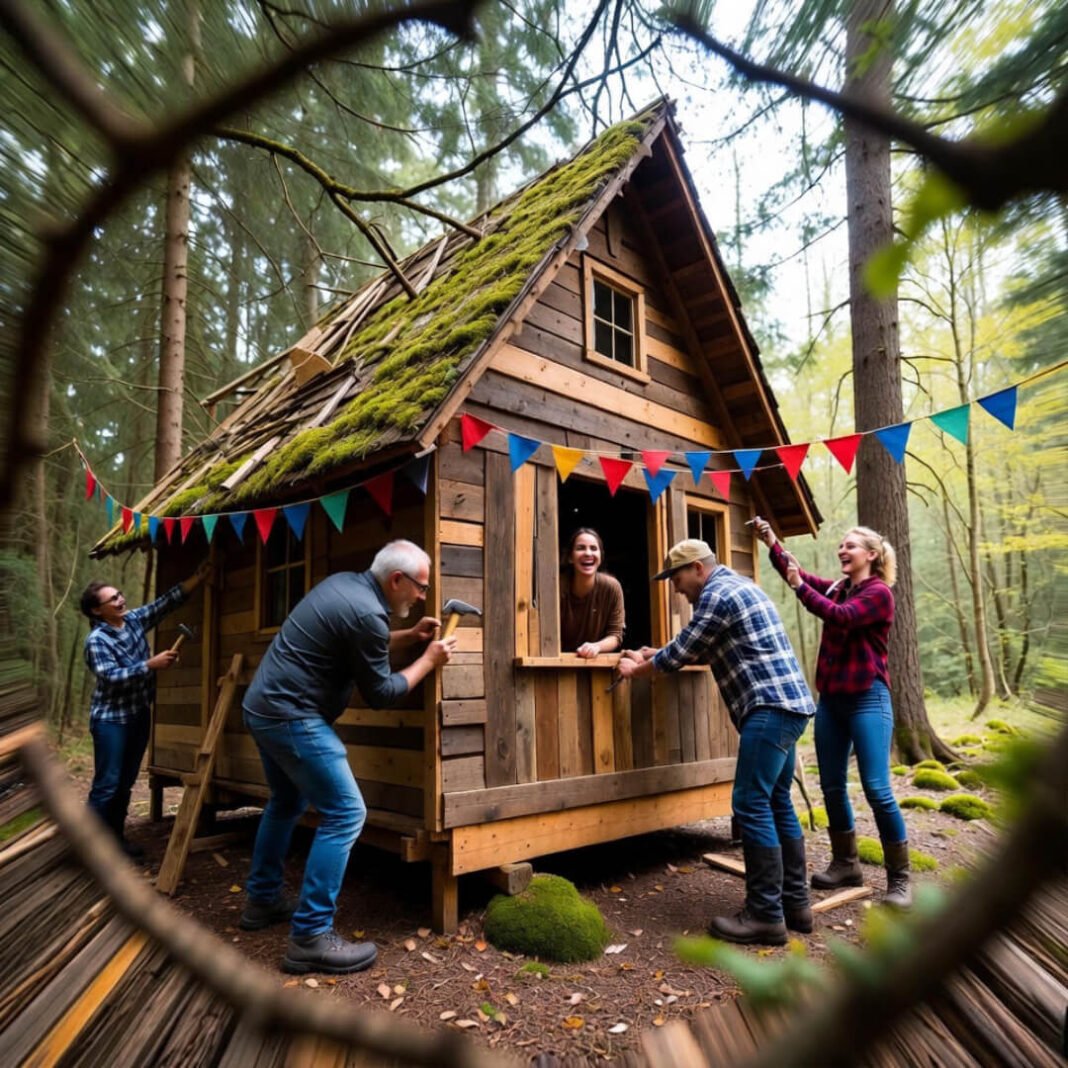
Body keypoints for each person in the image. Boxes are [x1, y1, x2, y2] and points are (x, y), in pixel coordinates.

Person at [240, 539, 455, 975]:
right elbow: (381, 694)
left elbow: (360, 641)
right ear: (396, 580)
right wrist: (429, 661)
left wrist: (409, 637)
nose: (422, 597)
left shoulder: (346, 586)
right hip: (291, 716)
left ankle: (262, 900)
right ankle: (310, 936)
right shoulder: (367, 614)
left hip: (262, 708)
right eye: (420, 587)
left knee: (286, 801)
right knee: (346, 813)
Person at [617, 539, 814, 946]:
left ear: (697, 569)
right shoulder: (738, 586)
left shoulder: (716, 594)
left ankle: (765, 916)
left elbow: (683, 652)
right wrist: (656, 652)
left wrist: (637, 670)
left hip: (768, 708)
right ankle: (796, 905)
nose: (675, 587)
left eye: (676, 577)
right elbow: (703, 647)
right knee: (777, 800)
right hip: (789, 706)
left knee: (751, 804)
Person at [754, 517, 911, 908]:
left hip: (868, 698)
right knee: (832, 786)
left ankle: (900, 880)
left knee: (877, 789)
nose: (843, 550)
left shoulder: (878, 593)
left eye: (850, 545)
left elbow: (841, 616)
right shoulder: (840, 588)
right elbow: (798, 574)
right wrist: (772, 542)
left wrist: (799, 587)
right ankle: (846, 864)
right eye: (841, 545)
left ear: (871, 555)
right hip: (831, 702)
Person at [81, 561, 212, 860]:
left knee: (125, 784)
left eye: (119, 594)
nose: (120, 600)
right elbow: (110, 676)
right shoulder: (97, 640)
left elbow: (165, 603)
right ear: (97, 611)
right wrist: (149, 665)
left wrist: (198, 577)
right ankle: (86, 849)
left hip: (138, 715)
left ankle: (114, 841)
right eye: (112, 599)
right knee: (107, 784)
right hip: (111, 720)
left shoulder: (133, 620)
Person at [560, 527, 625, 657]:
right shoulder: (556, 587)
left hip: (595, 662)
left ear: (600, 557)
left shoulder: (611, 587)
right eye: (580, 548)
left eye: (594, 548)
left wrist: (596, 646)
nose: (588, 553)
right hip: (557, 663)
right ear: (570, 557)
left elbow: (615, 635)